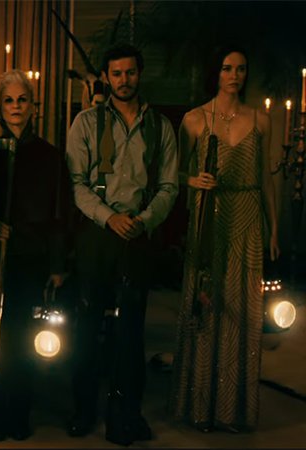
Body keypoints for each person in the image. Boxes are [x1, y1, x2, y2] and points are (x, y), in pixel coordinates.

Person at [65, 43, 179, 446]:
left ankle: (127, 415)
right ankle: (83, 410)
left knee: (131, 333)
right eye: (116, 73)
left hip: (138, 234)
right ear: (106, 77)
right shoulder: (85, 122)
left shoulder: (160, 126)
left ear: (139, 74)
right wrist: (107, 216)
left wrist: (144, 220)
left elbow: (169, 185)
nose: (124, 80)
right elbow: (76, 183)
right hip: (98, 233)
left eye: (130, 72)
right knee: (86, 327)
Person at [169, 46, 279, 434]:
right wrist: (192, 180)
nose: (235, 75)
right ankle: (199, 406)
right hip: (208, 219)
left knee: (243, 311)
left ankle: (234, 411)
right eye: (227, 68)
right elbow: (172, 173)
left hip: (247, 219)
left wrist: (273, 226)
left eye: (241, 69)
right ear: (215, 72)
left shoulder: (261, 120)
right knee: (207, 305)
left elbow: (265, 178)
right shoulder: (195, 119)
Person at [0, 70, 72, 442]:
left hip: (31, 257)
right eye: (8, 100)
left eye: (22, 100)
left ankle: (18, 412)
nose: (15, 107)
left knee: (22, 337)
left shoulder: (49, 156)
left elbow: (60, 213)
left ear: (33, 106)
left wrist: (57, 265)